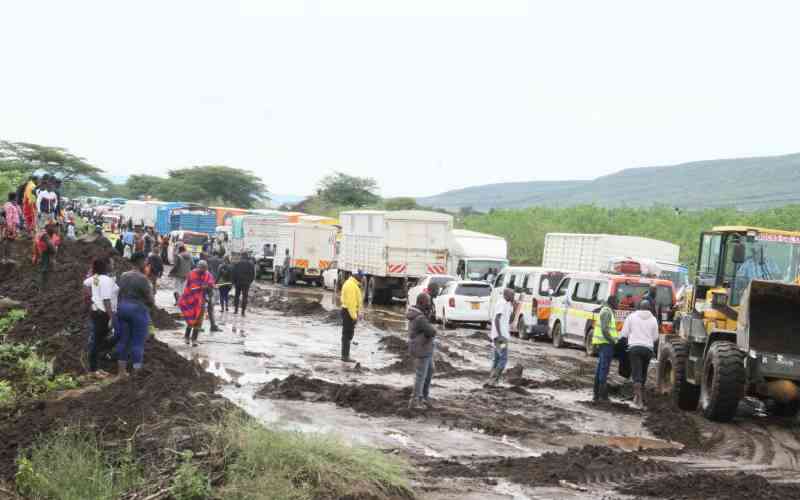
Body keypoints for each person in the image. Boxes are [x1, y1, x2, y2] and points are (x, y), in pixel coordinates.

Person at [116, 252, 155, 376]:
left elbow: (118, 292)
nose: (147, 264)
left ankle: (121, 372)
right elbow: (151, 300)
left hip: (122, 308)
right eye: (146, 261)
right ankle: (137, 371)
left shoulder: (123, 275)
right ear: (141, 262)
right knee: (137, 342)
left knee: (123, 341)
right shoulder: (143, 279)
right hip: (137, 310)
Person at [620, 299, 660, 409]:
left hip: (635, 348)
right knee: (642, 374)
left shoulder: (632, 317)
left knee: (636, 375)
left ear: (639, 307)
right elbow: (656, 337)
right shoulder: (653, 319)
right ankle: (636, 398)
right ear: (649, 308)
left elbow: (624, 333)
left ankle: (639, 401)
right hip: (648, 349)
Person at [83, 257, 118, 373]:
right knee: (101, 339)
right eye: (112, 263)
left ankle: (95, 362)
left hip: (96, 311)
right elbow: (106, 300)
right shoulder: (106, 280)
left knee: (98, 339)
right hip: (103, 313)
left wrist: (92, 299)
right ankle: (93, 368)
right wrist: (111, 317)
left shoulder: (97, 278)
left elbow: (86, 284)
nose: (113, 265)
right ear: (106, 266)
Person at [407, 293, 437, 409]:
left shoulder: (418, 314)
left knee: (429, 371)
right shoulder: (420, 318)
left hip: (425, 349)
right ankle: (415, 400)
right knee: (421, 375)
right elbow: (432, 332)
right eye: (428, 302)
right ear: (423, 302)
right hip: (422, 349)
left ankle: (424, 396)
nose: (429, 304)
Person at [178, 260, 215, 346]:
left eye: (204, 269)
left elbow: (211, 285)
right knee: (191, 318)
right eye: (200, 269)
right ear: (197, 267)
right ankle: (187, 336)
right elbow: (188, 287)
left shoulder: (208, 275)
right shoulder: (191, 274)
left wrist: (209, 287)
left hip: (201, 301)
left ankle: (194, 339)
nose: (202, 271)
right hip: (190, 300)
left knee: (199, 319)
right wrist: (200, 287)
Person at [593, 295, 620, 402]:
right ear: (612, 302)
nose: (618, 304)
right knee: (604, 369)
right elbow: (604, 330)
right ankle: (602, 395)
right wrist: (613, 341)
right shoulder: (607, 312)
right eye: (617, 302)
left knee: (601, 368)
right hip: (606, 344)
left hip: (605, 344)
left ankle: (597, 394)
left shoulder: (607, 311)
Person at [486, 288, 514, 387]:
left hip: (501, 335)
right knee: (503, 358)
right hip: (500, 337)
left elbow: (510, 320)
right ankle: (494, 380)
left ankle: (491, 380)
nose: (513, 296)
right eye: (512, 294)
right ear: (506, 295)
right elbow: (496, 319)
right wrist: (500, 335)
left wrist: (514, 306)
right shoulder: (501, 303)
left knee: (497, 358)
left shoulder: (508, 304)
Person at [340, 271, 363, 362]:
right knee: (347, 334)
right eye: (360, 275)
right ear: (355, 275)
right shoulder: (351, 285)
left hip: (349, 312)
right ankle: (345, 356)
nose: (361, 277)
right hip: (348, 312)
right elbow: (351, 303)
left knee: (348, 334)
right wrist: (354, 316)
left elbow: (355, 302)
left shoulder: (352, 284)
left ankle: (345, 355)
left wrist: (359, 312)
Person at [33, 223, 60, 289]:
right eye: (54, 228)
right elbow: (52, 247)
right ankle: (43, 286)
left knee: (44, 269)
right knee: (44, 270)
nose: (56, 230)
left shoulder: (44, 235)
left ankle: (42, 285)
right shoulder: (45, 236)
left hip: (43, 253)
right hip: (44, 254)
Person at [203, 252, 223, 332]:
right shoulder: (207, 274)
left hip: (206, 294)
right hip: (201, 295)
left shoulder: (206, 273)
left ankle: (212, 325)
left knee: (210, 309)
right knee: (204, 310)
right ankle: (196, 326)